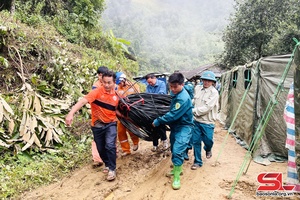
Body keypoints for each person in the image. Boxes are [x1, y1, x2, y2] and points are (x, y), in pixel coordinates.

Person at [65, 70, 119, 181]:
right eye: (105, 82)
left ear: (114, 82)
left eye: (109, 82)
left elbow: (122, 109)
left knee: (110, 145)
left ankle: (112, 169)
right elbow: (82, 102)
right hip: (97, 124)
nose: (107, 85)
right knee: (101, 148)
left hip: (111, 123)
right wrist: (71, 113)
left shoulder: (118, 94)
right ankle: (107, 164)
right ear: (101, 82)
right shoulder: (96, 92)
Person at [152, 72, 193, 190]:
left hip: (184, 127)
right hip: (176, 127)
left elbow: (173, 115)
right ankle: (177, 170)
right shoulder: (175, 93)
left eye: (175, 87)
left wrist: (158, 121)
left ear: (182, 84)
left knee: (177, 150)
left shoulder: (183, 98)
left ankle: (176, 178)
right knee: (174, 147)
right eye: (171, 86)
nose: (173, 89)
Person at [191, 71, 219, 170]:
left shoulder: (214, 93)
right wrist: (188, 105)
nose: (206, 82)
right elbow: (194, 100)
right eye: (205, 80)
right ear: (202, 80)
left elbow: (207, 108)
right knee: (196, 141)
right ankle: (197, 161)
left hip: (207, 122)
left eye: (209, 81)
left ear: (212, 82)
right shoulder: (197, 88)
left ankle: (208, 149)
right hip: (196, 121)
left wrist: (192, 111)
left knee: (208, 140)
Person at [115, 72, 140, 156]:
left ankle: (135, 142)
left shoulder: (134, 86)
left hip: (131, 112)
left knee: (132, 129)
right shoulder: (116, 88)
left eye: (120, 82)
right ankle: (126, 150)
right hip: (120, 113)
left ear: (124, 79)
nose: (120, 84)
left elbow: (138, 97)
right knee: (121, 131)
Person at [145, 73, 169, 152]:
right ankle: (155, 144)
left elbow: (160, 95)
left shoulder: (162, 84)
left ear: (154, 78)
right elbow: (146, 96)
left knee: (160, 124)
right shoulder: (148, 87)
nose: (150, 84)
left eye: (151, 82)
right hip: (151, 108)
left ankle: (164, 141)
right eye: (148, 82)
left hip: (160, 108)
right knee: (152, 126)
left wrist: (151, 97)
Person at [91, 66, 108, 167]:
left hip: (109, 115)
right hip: (98, 115)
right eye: (99, 75)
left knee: (111, 136)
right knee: (97, 138)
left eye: (103, 75)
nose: (101, 77)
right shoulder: (96, 86)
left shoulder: (111, 84)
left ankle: (112, 154)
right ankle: (97, 159)